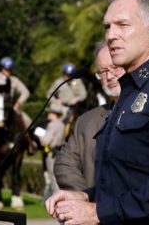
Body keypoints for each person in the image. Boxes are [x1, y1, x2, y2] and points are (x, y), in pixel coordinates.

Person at [45, 0, 149, 225]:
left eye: (122, 25)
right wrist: (84, 197)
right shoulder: (130, 93)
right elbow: (126, 182)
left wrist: (96, 213)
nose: (111, 35)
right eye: (107, 27)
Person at [54, 42, 125, 190]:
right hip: (61, 109)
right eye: (103, 71)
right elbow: (65, 163)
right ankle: (42, 143)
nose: (109, 76)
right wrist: (86, 197)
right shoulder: (85, 121)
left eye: (115, 68)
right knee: (53, 126)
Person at [34, 103, 66, 200]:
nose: (48, 114)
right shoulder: (62, 124)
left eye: (50, 112)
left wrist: (40, 135)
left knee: (53, 179)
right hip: (61, 153)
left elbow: (45, 142)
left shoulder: (52, 125)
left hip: (52, 154)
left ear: (54, 113)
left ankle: (57, 203)